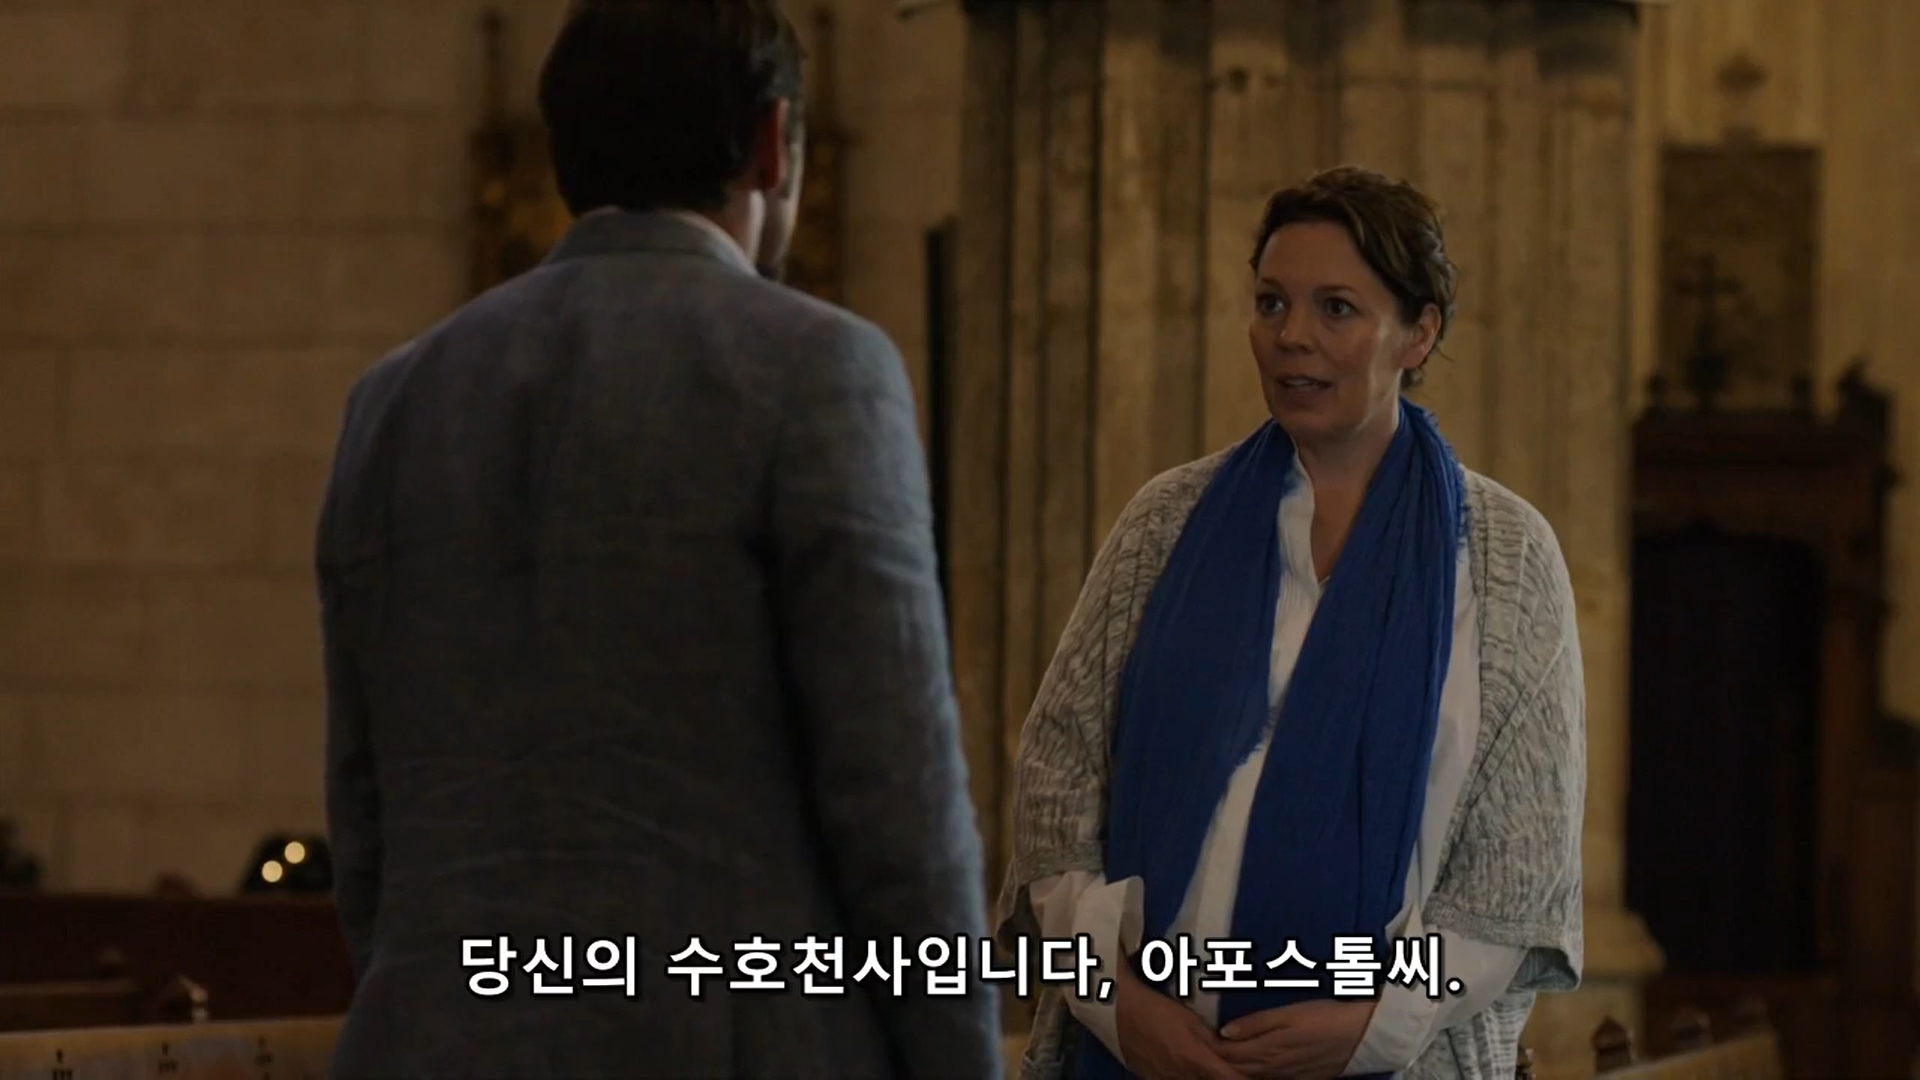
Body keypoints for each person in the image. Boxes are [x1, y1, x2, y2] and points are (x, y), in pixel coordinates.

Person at [316, 2, 999, 1076]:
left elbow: (365, 825)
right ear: (772, 144)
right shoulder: (819, 370)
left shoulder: (391, 401)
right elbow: (899, 812)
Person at [997, 166, 1585, 1080]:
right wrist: (1119, 1004)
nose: (1292, 335)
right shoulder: (1166, 522)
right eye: (1272, 302)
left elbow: (1520, 865)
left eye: (1336, 308)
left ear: (1418, 333)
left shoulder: (1507, 556)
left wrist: (1372, 1026)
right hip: (1145, 1050)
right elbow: (1056, 785)